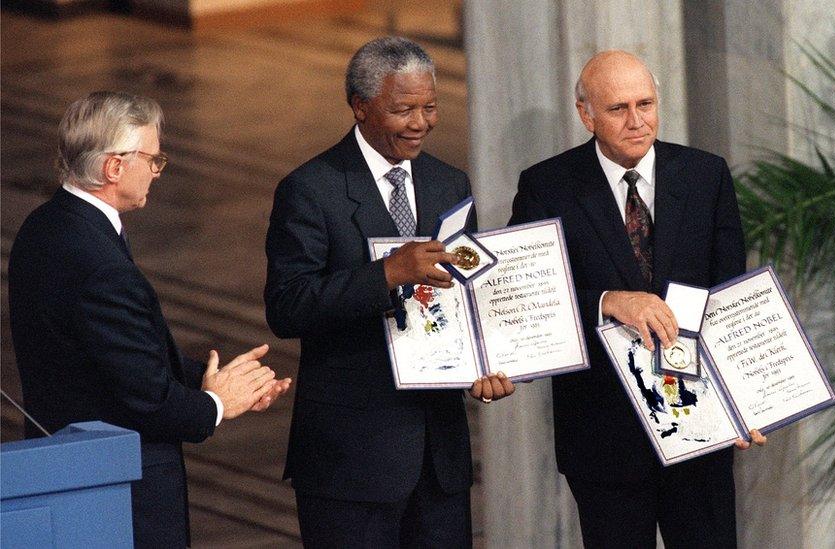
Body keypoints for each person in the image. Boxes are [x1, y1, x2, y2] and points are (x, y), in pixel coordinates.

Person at [7, 91, 292, 548]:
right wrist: (217, 405)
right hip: (118, 490)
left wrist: (212, 378)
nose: (158, 172)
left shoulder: (45, 224)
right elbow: (146, 399)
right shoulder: (99, 264)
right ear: (114, 167)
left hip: (68, 467)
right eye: (154, 160)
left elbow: (116, 354)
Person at [264, 36, 514, 548]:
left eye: (430, 106)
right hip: (351, 463)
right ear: (360, 107)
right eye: (403, 110)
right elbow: (287, 306)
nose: (420, 122)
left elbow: (467, 291)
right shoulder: (310, 189)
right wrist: (386, 274)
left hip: (439, 462)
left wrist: (484, 359)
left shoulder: (450, 183)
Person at [510, 50, 767, 548]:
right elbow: (529, 300)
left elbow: (729, 297)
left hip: (701, 431)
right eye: (617, 109)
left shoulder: (705, 175)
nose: (636, 121)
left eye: (645, 104)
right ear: (586, 114)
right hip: (605, 439)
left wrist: (745, 398)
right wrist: (607, 301)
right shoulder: (547, 187)